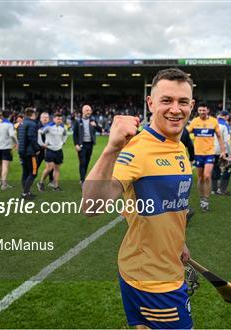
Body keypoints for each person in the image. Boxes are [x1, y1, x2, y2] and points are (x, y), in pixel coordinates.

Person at [82, 68, 194, 329]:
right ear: (150, 103)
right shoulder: (137, 148)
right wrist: (111, 149)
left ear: (192, 105)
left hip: (150, 266)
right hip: (154, 279)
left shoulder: (178, 145)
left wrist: (180, 242)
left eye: (183, 101)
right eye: (166, 100)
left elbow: (171, 205)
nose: (175, 109)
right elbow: (91, 207)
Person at [187, 104, 226, 212]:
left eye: (204, 110)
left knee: (207, 176)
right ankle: (201, 198)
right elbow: (186, 133)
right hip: (198, 154)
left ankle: (206, 200)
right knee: (200, 178)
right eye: (200, 110)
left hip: (210, 153)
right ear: (198, 111)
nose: (202, 112)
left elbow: (219, 136)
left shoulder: (213, 121)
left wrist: (223, 151)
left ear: (207, 110)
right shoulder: (194, 121)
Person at [37, 113, 67, 191]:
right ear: (53, 119)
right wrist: (41, 144)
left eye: (60, 119)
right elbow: (39, 132)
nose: (59, 120)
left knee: (57, 169)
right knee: (49, 168)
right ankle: (41, 183)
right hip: (50, 150)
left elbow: (65, 134)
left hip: (59, 151)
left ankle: (56, 186)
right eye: (57, 119)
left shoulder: (62, 128)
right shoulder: (49, 127)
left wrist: (63, 141)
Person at [18, 108, 41, 199]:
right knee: (33, 172)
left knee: (25, 172)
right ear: (32, 114)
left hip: (22, 151)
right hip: (30, 152)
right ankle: (25, 193)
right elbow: (31, 137)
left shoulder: (22, 123)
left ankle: (27, 192)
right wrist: (36, 148)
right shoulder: (32, 123)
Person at [72, 104, 97, 185]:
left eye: (90, 110)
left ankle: (83, 178)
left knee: (87, 162)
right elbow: (75, 134)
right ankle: (83, 181)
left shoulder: (93, 120)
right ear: (83, 111)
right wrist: (76, 144)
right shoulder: (78, 121)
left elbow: (100, 129)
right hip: (81, 145)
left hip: (90, 145)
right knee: (82, 162)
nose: (88, 112)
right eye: (87, 110)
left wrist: (95, 125)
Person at [0, 110, 18, 190]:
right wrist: (16, 143)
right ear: (10, 116)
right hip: (6, 147)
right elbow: (12, 135)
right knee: (5, 165)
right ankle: (4, 184)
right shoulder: (9, 125)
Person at [212, 110, 231, 195]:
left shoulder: (212, 123)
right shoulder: (225, 125)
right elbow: (227, 141)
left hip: (212, 150)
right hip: (222, 150)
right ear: (227, 116)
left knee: (215, 169)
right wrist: (230, 154)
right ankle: (222, 189)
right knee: (227, 169)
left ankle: (214, 189)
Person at [36, 111, 54, 187]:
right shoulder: (36, 126)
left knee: (51, 166)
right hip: (39, 150)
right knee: (36, 165)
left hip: (49, 149)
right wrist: (37, 149)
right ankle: (30, 179)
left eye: (47, 117)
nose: (45, 119)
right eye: (44, 117)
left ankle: (51, 180)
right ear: (40, 118)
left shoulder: (51, 126)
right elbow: (34, 139)